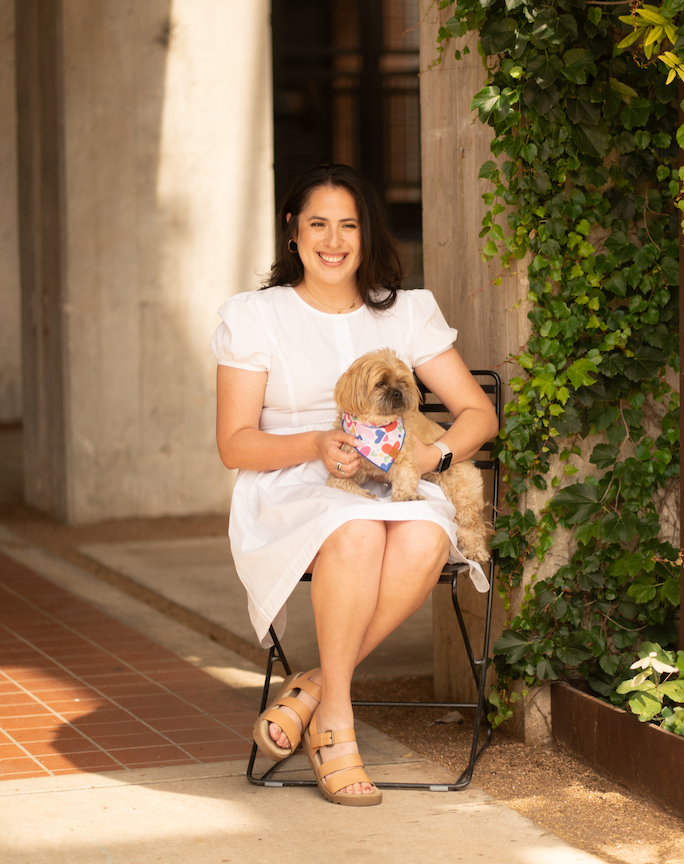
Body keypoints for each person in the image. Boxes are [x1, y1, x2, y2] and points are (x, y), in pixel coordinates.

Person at [211, 164, 497, 806]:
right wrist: (315, 444)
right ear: (293, 231)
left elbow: (479, 414)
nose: (333, 240)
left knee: (426, 536)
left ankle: (312, 689)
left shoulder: (407, 312)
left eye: (349, 225)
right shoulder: (256, 316)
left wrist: (432, 460)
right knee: (359, 530)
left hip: (396, 479)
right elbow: (235, 444)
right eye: (318, 223)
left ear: (367, 235)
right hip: (290, 482)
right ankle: (336, 723)